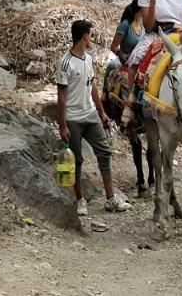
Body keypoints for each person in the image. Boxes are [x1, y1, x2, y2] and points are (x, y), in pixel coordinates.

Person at [55, 19, 133, 216]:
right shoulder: (65, 63)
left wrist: (102, 113)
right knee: (77, 160)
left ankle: (111, 199)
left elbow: (93, 88)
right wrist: (62, 125)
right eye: (91, 35)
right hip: (73, 118)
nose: (93, 39)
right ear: (84, 37)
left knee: (104, 153)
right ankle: (80, 200)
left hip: (90, 115)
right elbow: (61, 98)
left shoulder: (88, 59)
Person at [110, 0, 143, 65]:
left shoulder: (144, 24)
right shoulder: (125, 24)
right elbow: (113, 46)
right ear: (140, 9)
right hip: (126, 61)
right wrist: (123, 56)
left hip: (140, 61)